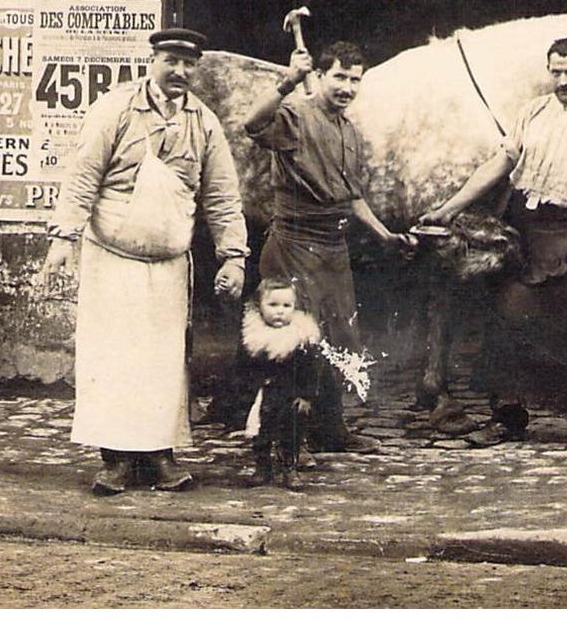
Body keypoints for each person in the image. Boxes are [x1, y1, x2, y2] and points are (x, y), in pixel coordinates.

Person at [41, 27, 249, 496]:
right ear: (152, 59)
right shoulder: (114, 109)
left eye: (188, 64)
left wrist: (233, 256)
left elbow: (222, 195)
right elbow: (82, 177)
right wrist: (63, 239)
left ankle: (159, 456)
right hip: (112, 257)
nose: (179, 72)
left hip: (169, 262)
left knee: (163, 361)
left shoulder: (204, 122)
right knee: (113, 357)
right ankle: (114, 459)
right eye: (171, 60)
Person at [421, 36, 567, 448]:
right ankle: (507, 417)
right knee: (507, 317)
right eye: (555, 72)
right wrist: (448, 209)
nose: (563, 81)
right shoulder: (533, 112)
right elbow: (500, 165)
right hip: (528, 231)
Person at [243, 40, 406, 453]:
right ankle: (282, 440)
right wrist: (289, 81)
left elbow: (352, 197)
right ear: (321, 75)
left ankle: (331, 430)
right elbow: (252, 123)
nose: (347, 87)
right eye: (339, 77)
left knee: (337, 337)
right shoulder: (296, 114)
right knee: (294, 340)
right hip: (294, 241)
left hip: (333, 245)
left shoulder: (348, 129)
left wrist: (384, 234)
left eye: (355, 80)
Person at [235, 276, 325, 489]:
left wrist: (306, 394)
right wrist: (244, 393)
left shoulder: (300, 336)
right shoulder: (253, 336)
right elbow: (242, 368)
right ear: (259, 307)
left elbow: (312, 368)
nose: (280, 311)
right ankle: (262, 468)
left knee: (291, 433)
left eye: (287, 305)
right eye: (273, 305)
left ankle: (289, 468)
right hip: (262, 396)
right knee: (261, 433)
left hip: (290, 395)